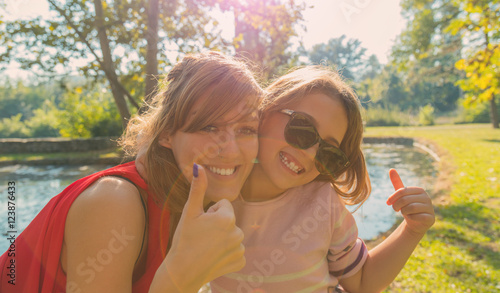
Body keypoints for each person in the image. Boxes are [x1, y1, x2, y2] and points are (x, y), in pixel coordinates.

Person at [0, 51, 263, 292]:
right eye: (209, 127)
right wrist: (181, 277)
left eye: (246, 130)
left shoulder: (193, 207)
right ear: (167, 134)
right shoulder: (114, 202)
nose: (230, 150)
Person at [211, 66, 435, 293]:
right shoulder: (210, 192)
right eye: (302, 128)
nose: (310, 153)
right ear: (266, 110)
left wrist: (412, 230)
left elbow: (362, 283)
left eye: (328, 152)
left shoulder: (324, 205)